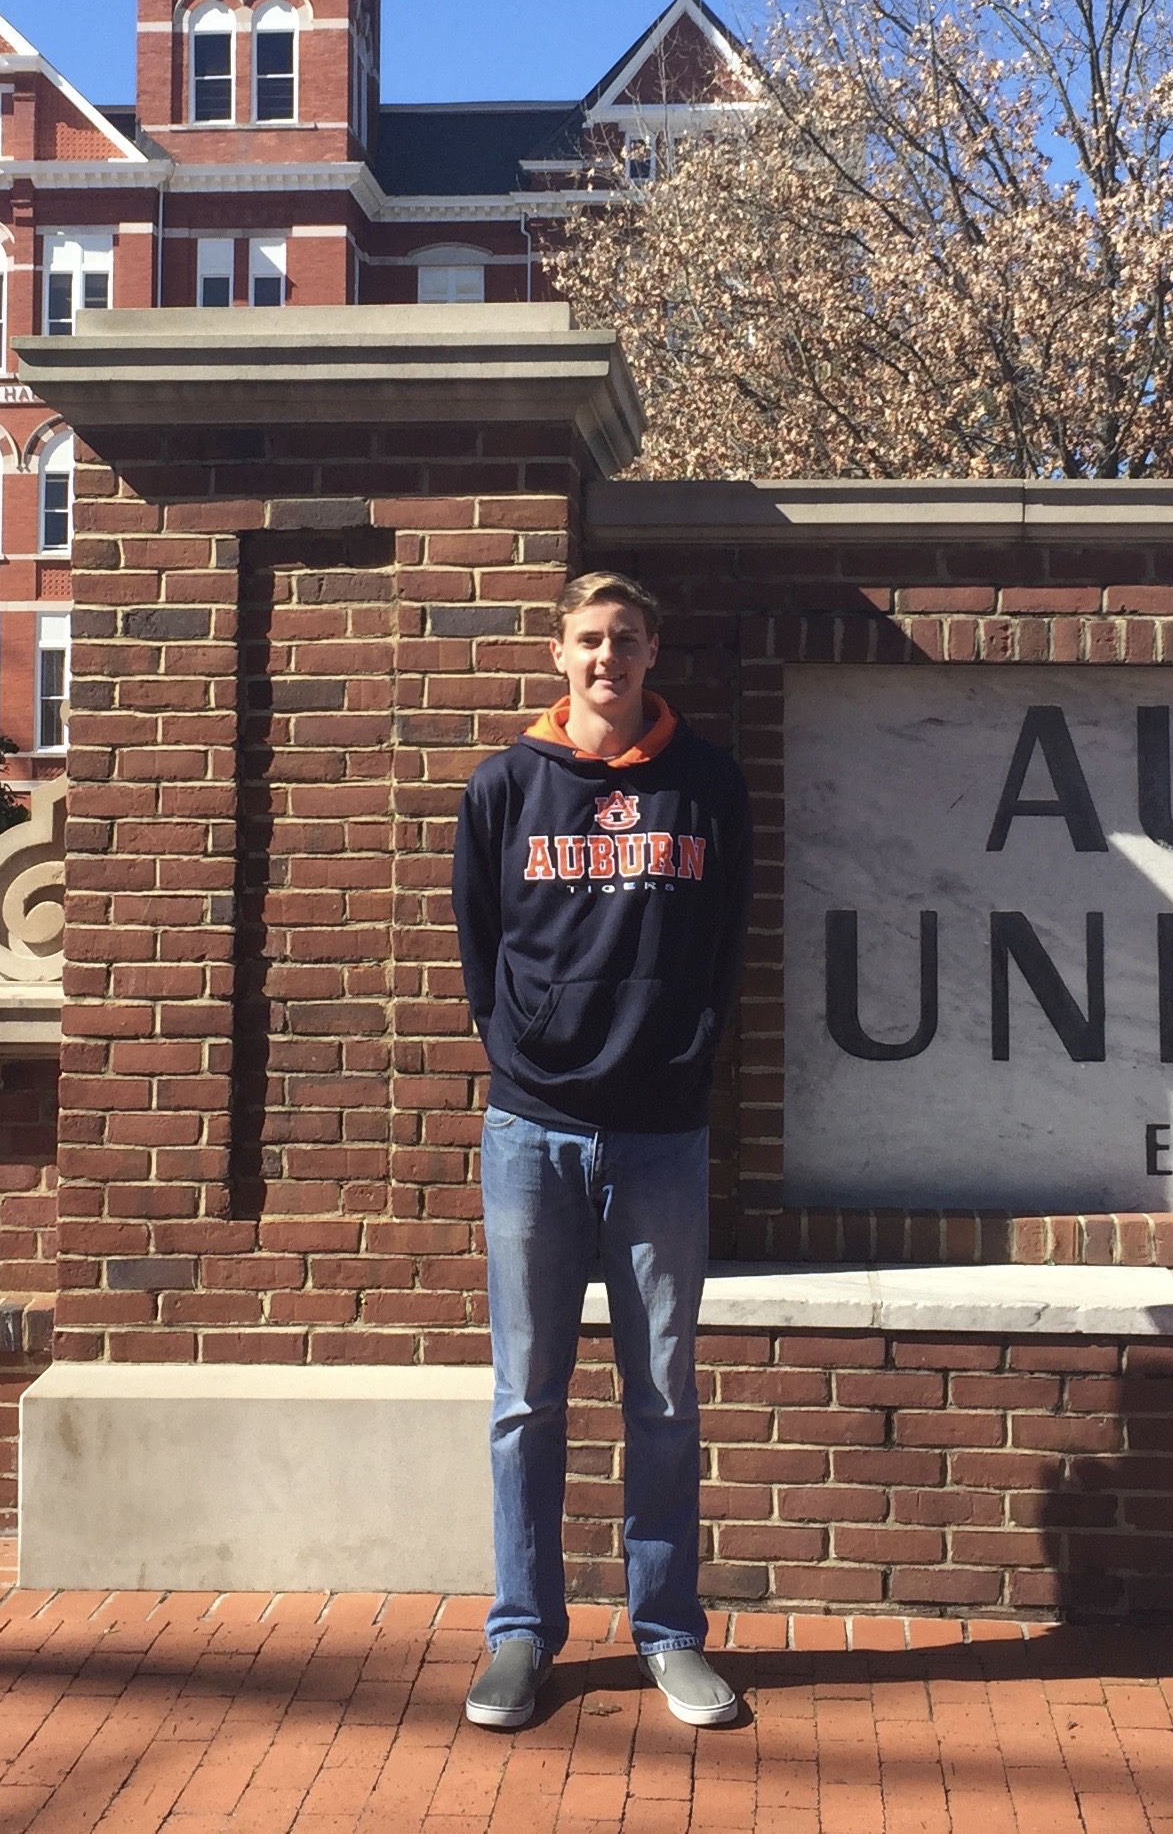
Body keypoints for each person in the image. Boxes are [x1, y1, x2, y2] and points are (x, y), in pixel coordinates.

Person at [449, 570, 754, 1732]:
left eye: (626, 638)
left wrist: (687, 1055)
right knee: (526, 1397)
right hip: (531, 1131)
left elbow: (729, 939)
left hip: (664, 1138)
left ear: (653, 652)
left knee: (664, 1395)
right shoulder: (503, 787)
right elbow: (481, 948)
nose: (606, 657)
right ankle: (521, 1635)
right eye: (588, 639)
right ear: (557, 654)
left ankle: (669, 1634)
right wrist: (521, 1053)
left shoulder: (709, 784)